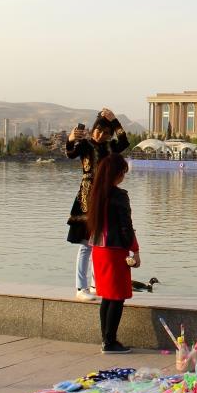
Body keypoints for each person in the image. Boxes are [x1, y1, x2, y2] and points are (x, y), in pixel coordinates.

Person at [66, 108, 129, 301]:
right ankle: (80, 287)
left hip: (105, 197)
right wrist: (70, 139)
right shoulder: (85, 145)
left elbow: (125, 142)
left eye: (105, 132)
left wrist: (115, 121)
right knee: (86, 244)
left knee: (99, 242)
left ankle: (95, 284)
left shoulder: (110, 148)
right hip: (87, 198)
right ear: (93, 130)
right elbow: (70, 153)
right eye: (98, 131)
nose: (101, 135)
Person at [85, 153, 138, 354]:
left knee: (107, 296)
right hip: (115, 250)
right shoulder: (120, 196)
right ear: (116, 173)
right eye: (122, 172)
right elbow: (126, 226)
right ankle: (110, 342)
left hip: (98, 250)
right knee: (117, 297)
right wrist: (134, 250)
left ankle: (106, 339)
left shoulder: (96, 195)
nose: (123, 176)